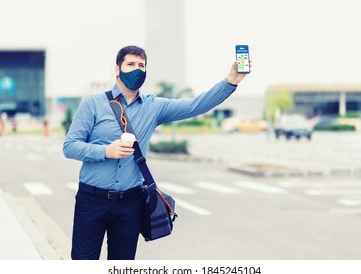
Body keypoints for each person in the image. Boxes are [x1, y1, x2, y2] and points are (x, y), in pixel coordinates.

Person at [63, 45, 249, 260]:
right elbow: (70, 146)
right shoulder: (93, 104)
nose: (137, 70)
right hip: (92, 199)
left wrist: (230, 82)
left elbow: (196, 105)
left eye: (141, 66)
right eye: (130, 64)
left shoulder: (153, 106)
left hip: (130, 203)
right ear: (117, 69)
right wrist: (106, 151)